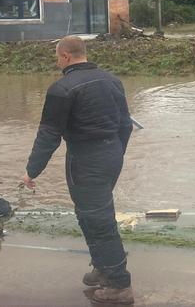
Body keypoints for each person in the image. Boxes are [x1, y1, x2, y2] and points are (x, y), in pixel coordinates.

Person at [20, 35, 134, 304]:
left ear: (66, 57)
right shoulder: (111, 80)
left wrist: (31, 171)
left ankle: (119, 284)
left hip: (85, 159)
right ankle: (103, 267)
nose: (57, 61)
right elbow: (126, 125)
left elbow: (49, 135)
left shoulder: (62, 88)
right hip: (112, 154)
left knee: (97, 219)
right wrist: (116, 153)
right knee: (91, 214)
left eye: (57, 57)